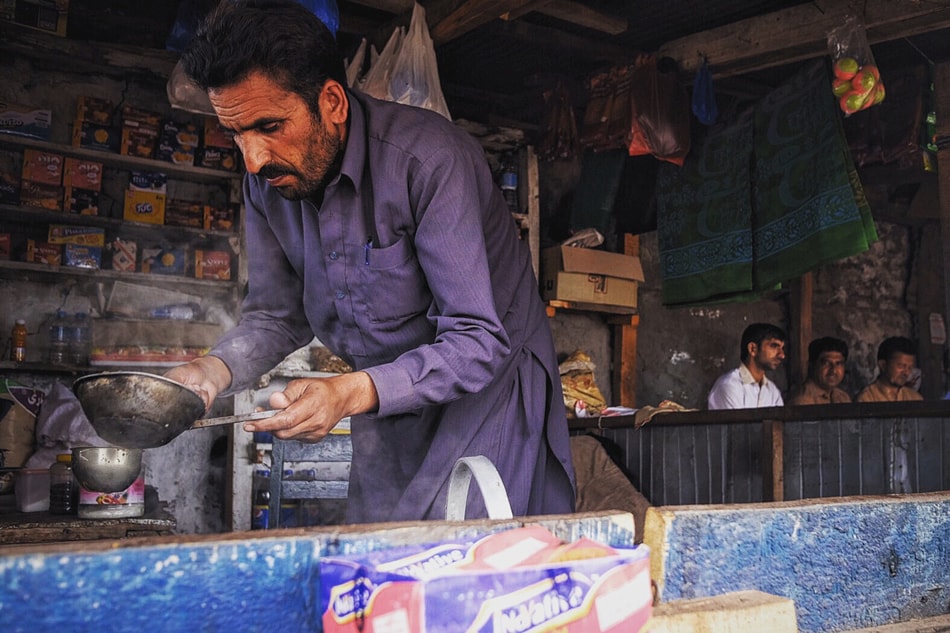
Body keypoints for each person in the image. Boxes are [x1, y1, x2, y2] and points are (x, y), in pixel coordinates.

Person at [166, 0, 576, 523]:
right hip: (385, 399)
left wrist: (349, 391)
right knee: (382, 553)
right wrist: (210, 370)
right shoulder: (264, 185)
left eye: (270, 125)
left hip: (487, 396)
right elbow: (276, 313)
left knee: (466, 558)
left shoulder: (428, 161)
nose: (253, 158)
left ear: (332, 102)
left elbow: (476, 340)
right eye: (236, 134)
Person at [707, 323, 787, 409]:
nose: (782, 355)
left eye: (782, 348)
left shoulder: (773, 391)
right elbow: (736, 422)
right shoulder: (729, 386)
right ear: (753, 349)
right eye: (774, 346)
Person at [855, 336, 924, 402]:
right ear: (883, 365)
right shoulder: (866, 398)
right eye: (901, 366)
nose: (906, 373)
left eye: (910, 367)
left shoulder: (915, 398)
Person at [789, 337, 852, 405]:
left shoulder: (843, 397)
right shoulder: (803, 400)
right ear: (811, 366)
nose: (833, 370)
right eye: (826, 363)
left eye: (838, 364)